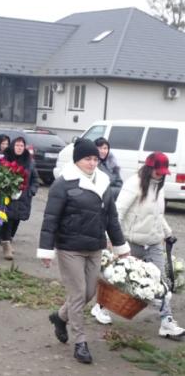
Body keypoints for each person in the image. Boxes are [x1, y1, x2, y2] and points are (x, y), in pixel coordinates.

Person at [38, 138, 130, 365]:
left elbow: (112, 219)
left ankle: (60, 317)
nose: (92, 163)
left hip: (95, 247)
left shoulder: (104, 183)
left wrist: (121, 247)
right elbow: (50, 220)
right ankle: (80, 342)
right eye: (87, 159)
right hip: (69, 248)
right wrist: (46, 251)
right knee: (78, 294)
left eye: (95, 159)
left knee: (89, 293)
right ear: (77, 160)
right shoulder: (63, 184)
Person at [116, 152, 185, 339]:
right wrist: (113, 239)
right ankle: (101, 308)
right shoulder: (134, 184)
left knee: (160, 281)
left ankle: (166, 322)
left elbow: (157, 215)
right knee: (125, 282)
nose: (160, 174)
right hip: (132, 242)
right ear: (149, 168)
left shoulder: (159, 187)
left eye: (163, 172)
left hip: (153, 242)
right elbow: (118, 211)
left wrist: (168, 232)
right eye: (157, 171)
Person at [89, 136, 124, 325]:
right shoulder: (92, 167)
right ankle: (99, 302)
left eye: (106, 148)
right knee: (104, 264)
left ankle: (100, 304)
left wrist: (110, 192)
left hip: (110, 212)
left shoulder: (112, 165)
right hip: (97, 217)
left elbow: (119, 186)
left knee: (108, 262)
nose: (103, 151)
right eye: (100, 148)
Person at [0, 137, 39, 260]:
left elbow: (35, 179)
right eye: (17, 145)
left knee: (17, 220)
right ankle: (6, 245)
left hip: (23, 197)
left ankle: (9, 240)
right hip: (8, 196)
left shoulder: (30, 162)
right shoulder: (5, 159)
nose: (19, 148)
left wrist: (31, 191)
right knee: (6, 220)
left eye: (21, 146)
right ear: (12, 146)